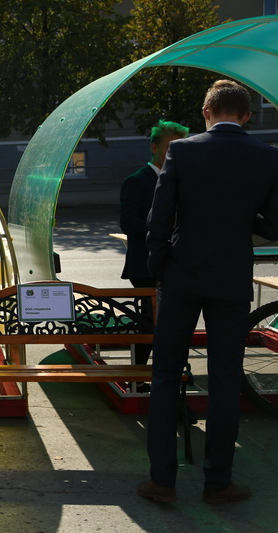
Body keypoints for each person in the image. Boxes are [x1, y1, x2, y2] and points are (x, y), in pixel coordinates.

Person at [138, 80, 278, 504]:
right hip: (231, 278)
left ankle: (163, 481)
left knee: (165, 375)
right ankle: (218, 483)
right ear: (247, 115)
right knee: (225, 378)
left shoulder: (183, 151)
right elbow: (274, 225)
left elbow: (159, 219)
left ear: (206, 112)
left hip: (182, 275)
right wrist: (241, 222)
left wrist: (160, 269)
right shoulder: (268, 156)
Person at [120, 120, 189, 393]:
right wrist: (163, 228)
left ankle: (157, 377)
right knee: (149, 323)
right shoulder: (137, 181)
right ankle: (139, 378)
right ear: (153, 147)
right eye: (170, 146)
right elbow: (128, 224)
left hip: (173, 263)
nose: (175, 152)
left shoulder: (180, 179)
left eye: (180, 147)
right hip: (145, 266)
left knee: (164, 323)